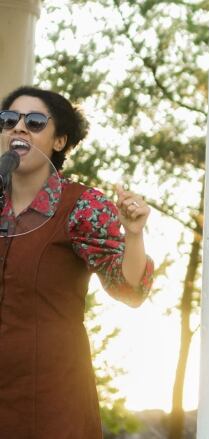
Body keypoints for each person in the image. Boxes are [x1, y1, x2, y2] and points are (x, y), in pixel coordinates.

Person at [0, 86, 155, 438]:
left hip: (52, 402)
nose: (19, 128)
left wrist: (133, 234)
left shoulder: (82, 205)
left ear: (60, 141)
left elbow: (130, 289)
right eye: (9, 120)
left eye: (35, 122)